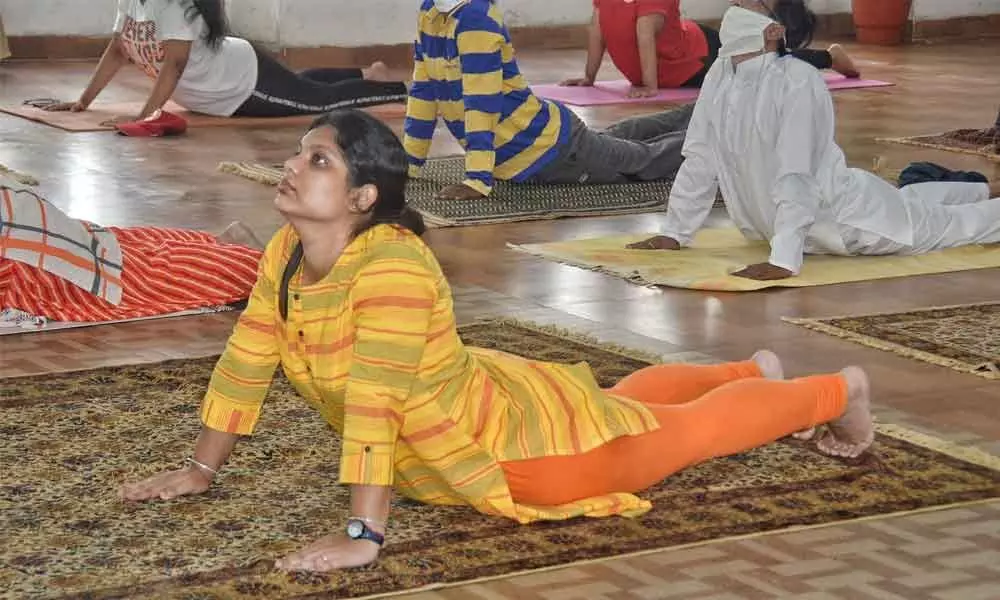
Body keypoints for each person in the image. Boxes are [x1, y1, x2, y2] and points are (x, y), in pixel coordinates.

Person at [120, 107, 875, 573]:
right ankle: (749, 366)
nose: (290, 166)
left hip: (525, 460)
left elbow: (376, 402)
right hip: (457, 437)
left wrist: (362, 534)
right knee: (611, 402)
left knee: (682, 436)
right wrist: (198, 469)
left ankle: (836, 389)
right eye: (298, 153)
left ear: (362, 198)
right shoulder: (287, 254)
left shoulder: (392, 270)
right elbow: (248, 357)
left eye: (317, 160)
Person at [627, 4, 1000, 281]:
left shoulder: (797, 81)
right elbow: (700, 157)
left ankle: (985, 199)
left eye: (748, 3)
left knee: (957, 226)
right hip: (792, 222)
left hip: (849, 221)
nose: (733, 8)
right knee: (910, 201)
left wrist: (784, 260)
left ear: (773, 31)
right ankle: (986, 188)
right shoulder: (722, 72)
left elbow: (796, 173)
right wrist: (675, 233)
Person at [404, 0, 695, 201]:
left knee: (644, 160)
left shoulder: (475, 20)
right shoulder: (430, 12)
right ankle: (699, 112)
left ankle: (720, 133)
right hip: (549, 139)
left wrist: (478, 179)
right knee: (620, 140)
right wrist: (410, 163)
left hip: (553, 153)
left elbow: (482, 103)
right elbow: (423, 92)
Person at [37, 0, 407, 122]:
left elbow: (174, 67)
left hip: (240, 86)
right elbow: (119, 49)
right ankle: (365, 73)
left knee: (316, 102)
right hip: (230, 75)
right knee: (301, 86)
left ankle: (400, 89)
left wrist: (144, 117)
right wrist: (84, 102)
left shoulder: (171, 6)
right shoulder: (132, 0)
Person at [0, 173, 263, 323]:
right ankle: (222, 249)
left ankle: (242, 261)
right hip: (22, 223)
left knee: (137, 276)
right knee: (115, 250)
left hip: (24, 256)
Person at [560, 0, 859, 97]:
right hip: (685, 47)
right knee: (758, 54)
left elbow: (644, 33)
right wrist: (589, 77)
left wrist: (649, 86)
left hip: (693, 57)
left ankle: (829, 56)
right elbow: (597, 28)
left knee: (760, 63)